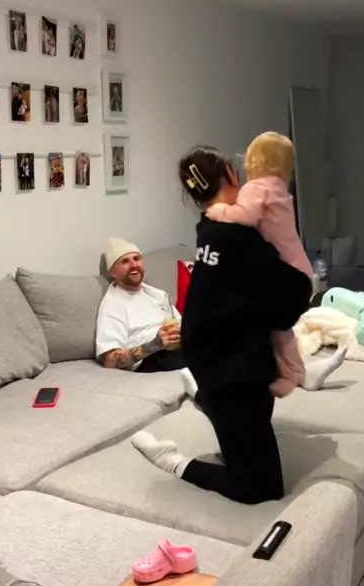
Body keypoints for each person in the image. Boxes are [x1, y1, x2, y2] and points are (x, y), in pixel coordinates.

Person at [131, 145, 311, 505]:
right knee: (259, 489)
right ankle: (173, 460)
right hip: (230, 367)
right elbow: (290, 299)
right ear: (231, 174)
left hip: (215, 356)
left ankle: (205, 398)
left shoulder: (210, 226)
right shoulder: (237, 238)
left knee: (246, 440)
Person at [207, 132, 346, 396]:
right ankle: (296, 372)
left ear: (255, 160)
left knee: (272, 328)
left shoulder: (256, 188)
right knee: (278, 328)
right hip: (300, 270)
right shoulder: (279, 188)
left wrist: (218, 211)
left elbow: (245, 216)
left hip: (287, 275)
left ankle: (290, 373)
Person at [96, 238, 194, 379]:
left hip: (175, 348)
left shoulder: (157, 294)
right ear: (112, 272)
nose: (133, 265)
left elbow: (180, 324)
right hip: (149, 359)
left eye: (136, 259)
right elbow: (110, 360)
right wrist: (154, 344)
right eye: (125, 261)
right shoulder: (112, 305)